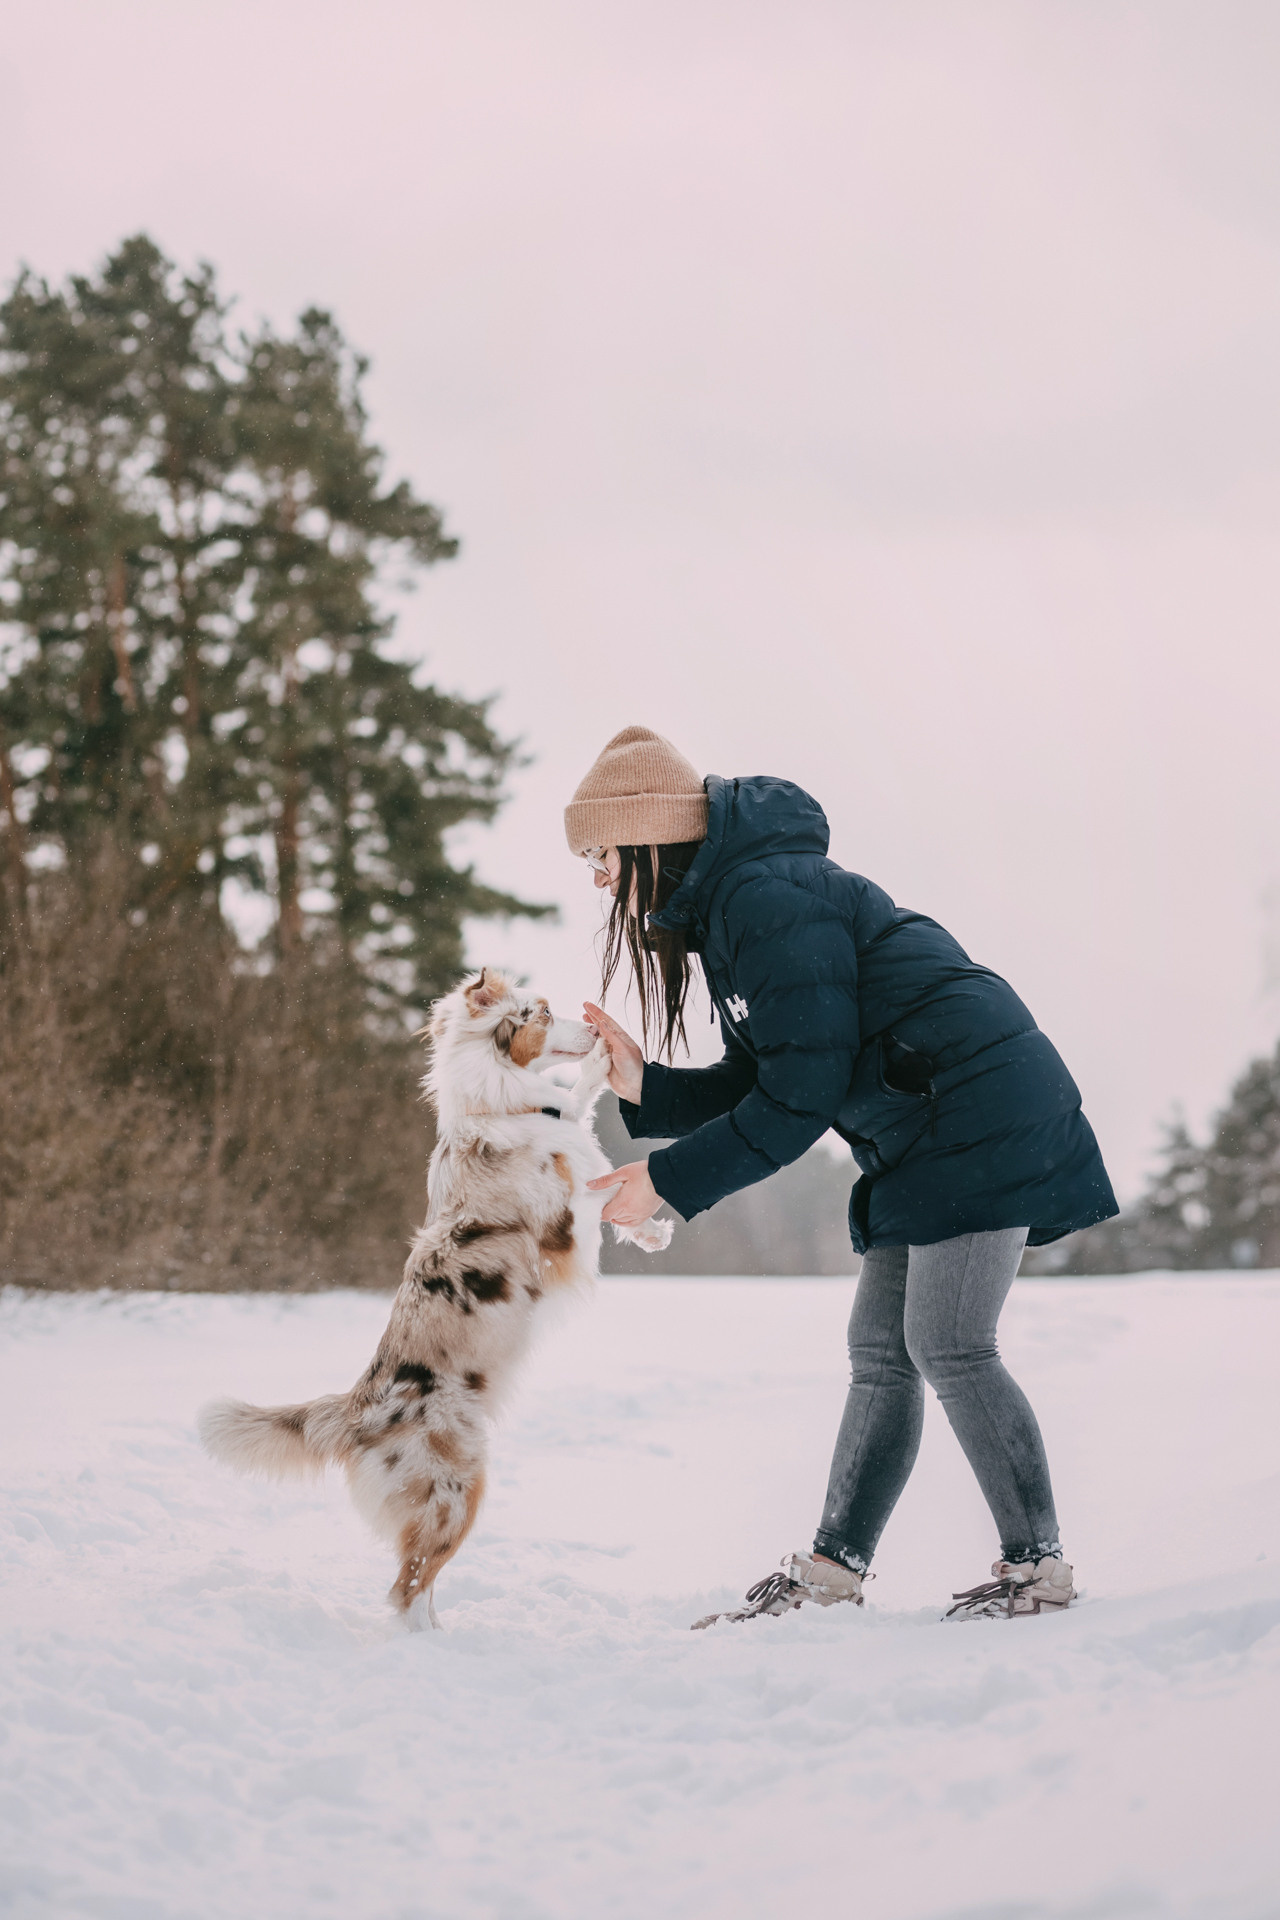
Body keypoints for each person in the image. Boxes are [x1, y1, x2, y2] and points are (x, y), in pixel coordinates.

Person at [565, 726, 1118, 1625]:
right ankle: (834, 1571)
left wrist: (669, 1182)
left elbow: (800, 1094)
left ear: (649, 837)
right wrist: (648, 1091)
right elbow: (772, 1071)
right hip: (924, 1126)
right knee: (880, 1353)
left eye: (601, 855)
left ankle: (1038, 1569)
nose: (597, 878)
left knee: (949, 1341)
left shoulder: (762, 895)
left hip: (978, 1112)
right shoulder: (737, 906)